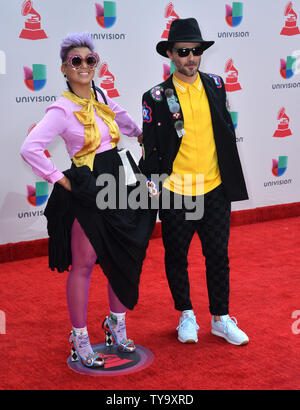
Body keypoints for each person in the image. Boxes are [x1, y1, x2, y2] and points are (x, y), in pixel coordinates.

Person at [20, 32, 155, 368]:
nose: (83, 65)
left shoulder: (101, 95)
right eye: (75, 61)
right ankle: (79, 339)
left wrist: (145, 135)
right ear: (65, 69)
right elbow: (30, 148)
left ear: (97, 66)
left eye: (89, 60)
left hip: (120, 182)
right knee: (84, 264)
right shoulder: (61, 109)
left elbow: (123, 120)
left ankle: (115, 326)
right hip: (88, 186)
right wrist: (61, 179)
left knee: (122, 256)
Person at [139, 18, 249, 346]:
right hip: (176, 192)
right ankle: (186, 314)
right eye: (183, 51)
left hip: (215, 189)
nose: (190, 57)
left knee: (218, 254)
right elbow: (150, 146)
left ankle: (220, 318)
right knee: (177, 256)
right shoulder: (156, 96)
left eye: (195, 50)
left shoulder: (216, 84)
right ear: (170, 54)